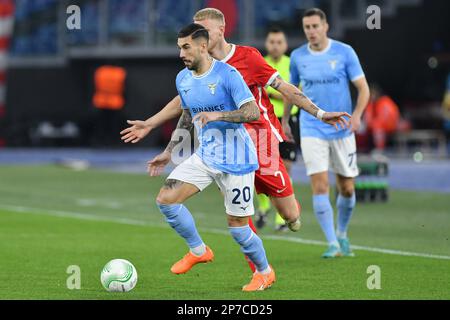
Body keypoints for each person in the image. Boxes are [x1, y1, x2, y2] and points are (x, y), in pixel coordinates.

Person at [121, 8, 350, 268]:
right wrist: (151, 124)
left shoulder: (247, 58)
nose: (198, 35)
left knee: (291, 216)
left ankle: (286, 210)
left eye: (203, 29)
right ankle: (258, 270)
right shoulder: (196, 65)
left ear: (221, 30)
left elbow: (285, 88)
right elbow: (184, 101)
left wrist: (320, 113)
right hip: (223, 145)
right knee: (236, 209)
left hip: (261, 139)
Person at [149, 23, 275, 291]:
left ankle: (264, 272)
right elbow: (186, 115)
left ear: (203, 46)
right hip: (206, 155)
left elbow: (252, 112)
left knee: (239, 229)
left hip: (237, 160)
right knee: (166, 200)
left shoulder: (228, 74)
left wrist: (219, 115)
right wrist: (169, 152)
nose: (181, 53)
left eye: (186, 47)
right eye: (179, 47)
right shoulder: (183, 79)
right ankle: (198, 250)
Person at [285, 8, 370, 258]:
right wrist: (285, 120)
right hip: (312, 128)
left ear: (325, 27)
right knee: (320, 185)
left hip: (342, 129)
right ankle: (332, 243)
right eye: (306, 28)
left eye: (314, 26)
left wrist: (357, 116)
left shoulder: (344, 52)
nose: (311, 32)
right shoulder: (298, 56)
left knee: (346, 189)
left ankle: (342, 233)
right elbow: (292, 90)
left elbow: (363, 89)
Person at [255, 27, 301, 232]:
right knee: (265, 168)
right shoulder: (258, 62)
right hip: (265, 122)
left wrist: (276, 93)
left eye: (279, 42)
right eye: (272, 41)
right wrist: (281, 92)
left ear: (285, 45)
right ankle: (264, 209)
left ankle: (281, 218)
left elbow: (295, 92)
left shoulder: (291, 64)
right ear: (267, 44)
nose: (275, 45)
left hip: (288, 122)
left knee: (286, 168)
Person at [365, 84, 401, 152]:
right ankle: (362, 150)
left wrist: (372, 123)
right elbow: (367, 119)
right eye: (370, 94)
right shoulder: (371, 104)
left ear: (377, 94)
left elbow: (385, 119)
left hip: (391, 125)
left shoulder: (385, 101)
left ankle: (380, 149)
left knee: (377, 126)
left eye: (373, 94)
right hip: (377, 126)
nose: (372, 96)